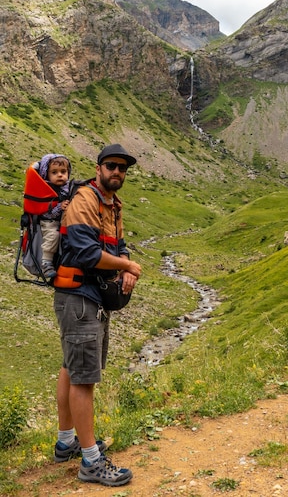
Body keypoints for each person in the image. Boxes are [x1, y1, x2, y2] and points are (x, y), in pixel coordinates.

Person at [52, 143, 142, 487]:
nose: (117, 172)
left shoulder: (112, 204)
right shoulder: (86, 199)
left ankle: (66, 442)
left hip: (87, 297)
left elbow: (116, 245)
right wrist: (127, 265)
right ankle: (91, 462)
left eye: (123, 168)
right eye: (112, 166)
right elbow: (85, 251)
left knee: (70, 366)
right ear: (99, 166)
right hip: (79, 297)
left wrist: (126, 265)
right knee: (84, 377)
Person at [37, 154, 71, 278]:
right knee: (53, 235)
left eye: (63, 171)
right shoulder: (45, 190)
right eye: (54, 172)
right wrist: (59, 208)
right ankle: (46, 262)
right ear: (46, 174)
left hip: (62, 221)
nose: (60, 175)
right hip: (48, 222)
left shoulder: (67, 188)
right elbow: (45, 212)